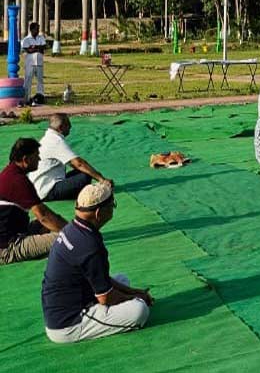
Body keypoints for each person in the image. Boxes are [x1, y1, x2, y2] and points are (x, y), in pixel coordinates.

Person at [42, 182, 153, 344]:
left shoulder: (72, 229)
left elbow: (102, 280)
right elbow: (106, 298)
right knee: (139, 310)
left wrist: (133, 292)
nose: (113, 208)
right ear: (99, 213)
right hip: (68, 325)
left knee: (122, 279)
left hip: (62, 308)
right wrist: (136, 297)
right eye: (112, 205)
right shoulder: (89, 244)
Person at [1, 138, 67, 265]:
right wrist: (74, 233)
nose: (39, 159)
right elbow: (43, 216)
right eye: (36, 156)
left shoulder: (9, 173)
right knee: (65, 239)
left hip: (14, 233)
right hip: (7, 247)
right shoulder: (18, 180)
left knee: (52, 223)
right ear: (26, 160)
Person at [30, 114, 111, 202]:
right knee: (86, 175)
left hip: (41, 186)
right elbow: (78, 163)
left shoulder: (48, 138)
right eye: (68, 124)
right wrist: (102, 179)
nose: (70, 127)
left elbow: (74, 164)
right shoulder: (56, 141)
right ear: (61, 127)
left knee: (86, 171)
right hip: (47, 190)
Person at [21, 22, 46, 103]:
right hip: (30, 63)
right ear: (31, 30)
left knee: (40, 80)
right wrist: (37, 48)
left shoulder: (41, 37)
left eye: (38, 29)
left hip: (39, 63)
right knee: (28, 80)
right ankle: (26, 98)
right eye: (36, 29)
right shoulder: (26, 40)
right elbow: (27, 50)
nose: (38, 31)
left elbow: (43, 48)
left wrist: (34, 47)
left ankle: (40, 97)